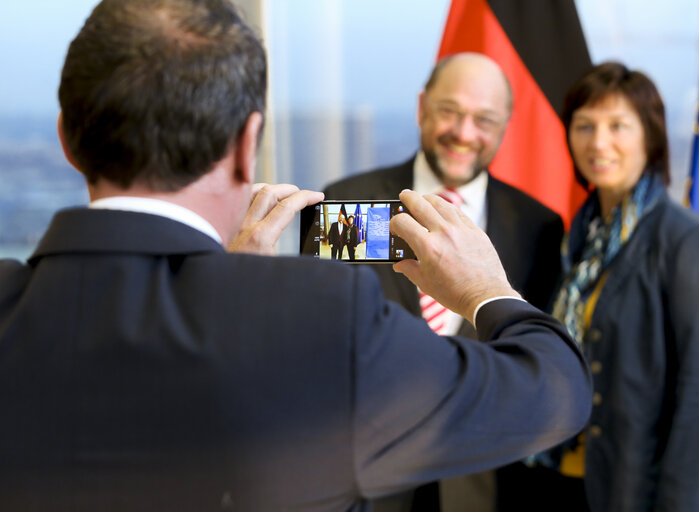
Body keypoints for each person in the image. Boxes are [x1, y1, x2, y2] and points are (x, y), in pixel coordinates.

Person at [0, 1, 593, 511]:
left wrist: (232, 279)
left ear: (67, 140)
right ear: (246, 146)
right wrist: (486, 289)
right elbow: (554, 389)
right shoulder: (317, 321)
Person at [500, 61, 699, 512]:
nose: (599, 142)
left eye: (619, 126)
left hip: (647, 491)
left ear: (650, 137)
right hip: (565, 480)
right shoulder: (578, 237)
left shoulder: (690, 242)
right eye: (584, 126)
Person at [324, 52, 564, 511]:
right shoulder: (351, 205)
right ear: (421, 108)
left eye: (484, 119)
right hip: (367, 482)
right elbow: (322, 344)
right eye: (450, 111)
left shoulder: (538, 227)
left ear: (505, 127)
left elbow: (530, 356)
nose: (464, 132)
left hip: (485, 485)